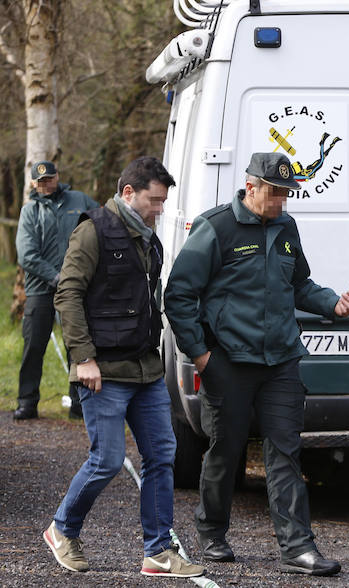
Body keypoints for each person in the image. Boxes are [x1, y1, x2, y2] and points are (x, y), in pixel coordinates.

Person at [164, 152, 349, 576]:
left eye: (286, 194)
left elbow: (300, 285)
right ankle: (212, 530)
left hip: (281, 361)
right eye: (274, 193)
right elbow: (178, 294)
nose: (280, 202)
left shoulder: (287, 228)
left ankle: (297, 548)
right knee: (226, 451)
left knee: (285, 453)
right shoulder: (216, 227)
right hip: (229, 362)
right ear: (250, 186)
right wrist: (200, 354)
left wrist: (333, 303)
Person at [44, 157, 205, 579]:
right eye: (154, 200)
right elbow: (68, 296)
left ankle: (158, 552)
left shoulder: (150, 238)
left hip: (146, 370)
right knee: (108, 460)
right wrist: (83, 359)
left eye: (164, 201)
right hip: (103, 372)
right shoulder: (91, 231)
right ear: (128, 192)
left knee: (162, 455)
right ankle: (63, 529)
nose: (160, 209)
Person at [13, 161, 98, 421]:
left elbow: (103, 225)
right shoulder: (30, 211)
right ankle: (27, 402)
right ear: (33, 184)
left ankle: (79, 403)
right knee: (34, 346)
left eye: (49, 179)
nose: (45, 184)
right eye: (40, 181)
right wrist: (56, 277)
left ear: (57, 177)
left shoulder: (80, 200)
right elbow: (26, 255)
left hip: (76, 289)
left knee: (77, 345)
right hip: (41, 290)